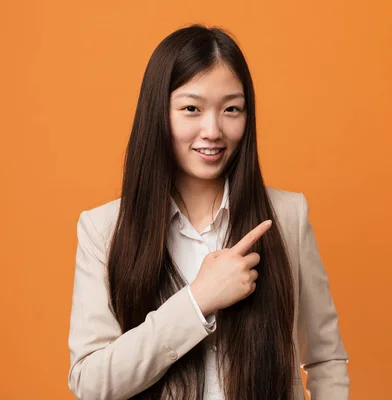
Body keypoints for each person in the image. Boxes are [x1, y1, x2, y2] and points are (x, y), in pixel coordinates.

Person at [67, 24, 349, 400]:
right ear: (158, 114)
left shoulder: (287, 216)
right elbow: (90, 382)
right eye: (191, 109)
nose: (213, 130)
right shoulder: (103, 229)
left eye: (232, 109)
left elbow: (326, 358)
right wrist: (197, 301)